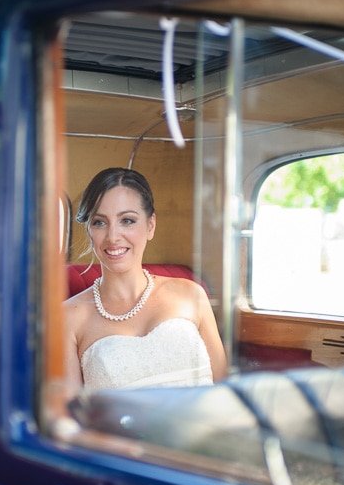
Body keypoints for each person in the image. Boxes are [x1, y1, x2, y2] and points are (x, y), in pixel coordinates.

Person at [63, 167, 228, 391]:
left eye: (127, 221)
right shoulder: (68, 318)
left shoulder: (191, 294)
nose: (113, 237)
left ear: (150, 226)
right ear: (89, 231)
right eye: (99, 222)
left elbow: (225, 390)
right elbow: (69, 415)